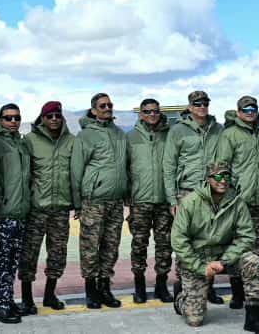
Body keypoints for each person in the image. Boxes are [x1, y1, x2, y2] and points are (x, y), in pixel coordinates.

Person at [171, 162, 259, 334]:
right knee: (195, 320)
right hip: (198, 259)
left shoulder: (237, 202)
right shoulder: (190, 202)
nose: (223, 181)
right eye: (217, 177)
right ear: (208, 179)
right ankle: (181, 297)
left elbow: (247, 236)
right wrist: (200, 267)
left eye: (226, 176)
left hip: (225, 256)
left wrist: (224, 261)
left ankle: (253, 317)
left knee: (252, 261)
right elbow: (178, 240)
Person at [162, 90, 225, 305]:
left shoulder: (218, 129)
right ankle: (183, 288)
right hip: (187, 193)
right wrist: (172, 199)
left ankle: (208, 288)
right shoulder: (177, 131)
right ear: (189, 107)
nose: (202, 106)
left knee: (212, 242)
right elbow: (169, 166)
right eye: (197, 103)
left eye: (205, 103)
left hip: (212, 194)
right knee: (186, 242)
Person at [70, 93, 128, 309]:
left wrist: (126, 191)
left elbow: (126, 166)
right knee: (90, 247)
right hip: (94, 200)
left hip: (115, 201)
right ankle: (90, 290)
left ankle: (105, 287)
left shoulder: (120, 134)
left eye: (110, 105)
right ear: (94, 110)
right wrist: (78, 203)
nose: (107, 108)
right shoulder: (85, 136)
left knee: (111, 246)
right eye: (103, 106)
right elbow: (76, 170)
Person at [216, 96, 259, 308]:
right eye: (246, 109)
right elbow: (221, 167)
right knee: (237, 246)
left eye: (253, 109)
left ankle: (253, 292)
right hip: (238, 202)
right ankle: (238, 293)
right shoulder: (229, 135)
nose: (250, 112)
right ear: (239, 112)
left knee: (256, 247)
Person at [19, 101, 74, 313]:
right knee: (29, 254)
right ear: (42, 118)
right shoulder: (30, 141)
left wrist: (76, 203)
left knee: (58, 254)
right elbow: (24, 174)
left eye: (57, 115)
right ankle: (26, 299)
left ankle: (50, 295)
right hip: (36, 209)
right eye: (49, 116)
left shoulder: (71, 141)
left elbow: (75, 174)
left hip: (60, 209)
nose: (54, 119)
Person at [126, 98, 175, 303]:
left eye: (155, 111)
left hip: (164, 200)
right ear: (141, 114)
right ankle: (139, 287)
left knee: (165, 245)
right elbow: (125, 168)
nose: (152, 115)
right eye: (147, 111)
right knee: (139, 244)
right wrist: (129, 195)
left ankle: (161, 285)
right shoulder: (130, 137)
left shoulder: (169, 135)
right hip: (141, 200)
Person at [0, 103, 32, 324]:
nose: (13, 122)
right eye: (8, 118)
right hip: (2, 214)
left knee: (12, 262)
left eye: (17, 118)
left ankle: (7, 301)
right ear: (0, 120)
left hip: (19, 213)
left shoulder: (20, 143)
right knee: (0, 263)